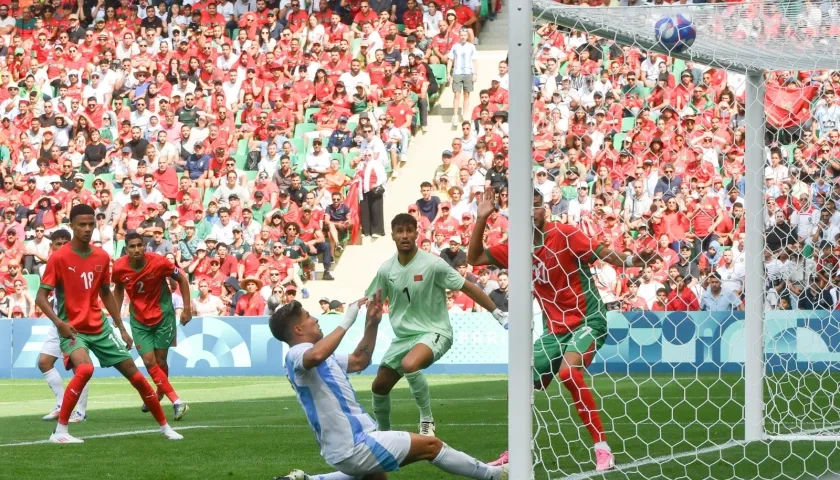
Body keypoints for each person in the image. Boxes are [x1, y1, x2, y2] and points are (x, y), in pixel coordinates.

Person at [466, 188, 654, 472]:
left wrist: (631, 261)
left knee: (568, 373)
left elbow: (603, 253)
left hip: (589, 320)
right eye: (528, 208)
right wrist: (481, 218)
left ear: (546, 209)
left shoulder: (566, 234)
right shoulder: (517, 247)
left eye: (538, 205)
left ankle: (602, 448)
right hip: (555, 330)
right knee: (517, 385)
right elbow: (475, 257)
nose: (534, 211)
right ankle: (517, 449)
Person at [270, 294, 508, 480]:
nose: (315, 318)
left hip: (349, 443)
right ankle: (496, 475)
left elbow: (359, 360)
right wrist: (347, 319)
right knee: (431, 446)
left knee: (374, 477)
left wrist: (371, 323)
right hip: (353, 443)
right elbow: (316, 356)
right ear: (298, 330)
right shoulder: (297, 354)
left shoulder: (318, 354)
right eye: (308, 317)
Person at [35, 204, 182, 444]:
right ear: (71, 226)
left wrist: (121, 328)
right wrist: (58, 322)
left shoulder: (102, 256)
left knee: (135, 376)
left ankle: (165, 427)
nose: (87, 229)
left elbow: (106, 293)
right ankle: (60, 432)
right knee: (84, 369)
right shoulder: (59, 258)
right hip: (72, 329)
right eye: (81, 224)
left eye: (91, 224)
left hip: (100, 327)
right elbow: (40, 297)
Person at [364, 213, 507, 437]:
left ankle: (427, 420)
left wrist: (497, 312)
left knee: (410, 364)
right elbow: (372, 304)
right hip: (404, 338)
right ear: (392, 235)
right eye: (399, 231)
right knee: (379, 387)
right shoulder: (386, 270)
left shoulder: (433, 264)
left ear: (416, 233)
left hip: (435, 331)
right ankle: (383, 435)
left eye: (409, 230)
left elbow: (467, 287)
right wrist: (365, 336)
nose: (404, 235)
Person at [112, 233, 193, 420]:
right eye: (132, 246)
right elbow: (118, 288)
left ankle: (160, 391)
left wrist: (187, 309)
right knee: (149, 362)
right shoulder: (119, 267)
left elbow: (182, 279)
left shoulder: (159, 262)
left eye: (140, 245)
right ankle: (177, 402)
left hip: (163, 317)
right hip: (139, 321)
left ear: (145, 246)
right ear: (126, 249)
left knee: (161, 361)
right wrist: (116, 318)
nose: (136, 249)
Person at [38, 230, 90, 423]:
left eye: (65, 243)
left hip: (78, 323)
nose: (61, 247)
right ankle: (61, 405)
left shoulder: (79, 264)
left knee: (80, 367)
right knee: (44, 362)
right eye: (57, 244)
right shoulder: (50, 267)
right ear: (51, 247)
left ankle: (80, 412)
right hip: (58, 323)